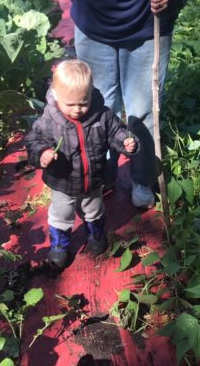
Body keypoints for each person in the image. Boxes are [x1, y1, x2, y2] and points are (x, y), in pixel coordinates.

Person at [58, 0, 197, 208]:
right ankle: (100, 174)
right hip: (94, 30)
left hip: (147, 29)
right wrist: (91, 18)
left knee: (141, 111)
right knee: (95, 108)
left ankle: (142, 179)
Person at [25, 60, 138, 268]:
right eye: (70, 104)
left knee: (93, 209)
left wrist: (125, 142)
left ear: (91, 93)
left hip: (93, 178)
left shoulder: (102, 115)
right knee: (61, 214)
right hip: (62, 180)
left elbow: (116, 132)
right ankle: (59, 245)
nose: (78, 109)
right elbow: (33, 141)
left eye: (83, 102)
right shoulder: (49, 119)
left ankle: (95, 235)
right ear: (57, 96)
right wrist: (42, 154)